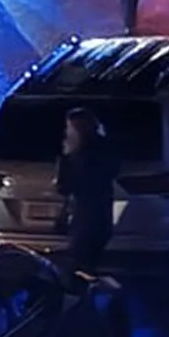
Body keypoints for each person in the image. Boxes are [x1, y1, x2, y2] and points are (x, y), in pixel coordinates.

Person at [55, 107, 119, 275]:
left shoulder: (78, 154)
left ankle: (78, 286)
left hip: (85, 215)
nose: (66, 132)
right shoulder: (106, 148)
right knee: (88, 261)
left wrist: (65, 160)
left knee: (79, 261)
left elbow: (65, 187)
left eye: (69, 127)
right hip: (100, 213)